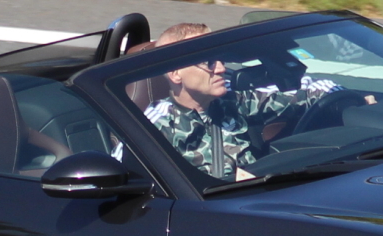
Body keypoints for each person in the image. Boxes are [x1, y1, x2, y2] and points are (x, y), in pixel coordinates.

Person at [136, 21, 359, 180]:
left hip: (254, 193)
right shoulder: (156, 124)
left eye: (220, 60)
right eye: (209, 63)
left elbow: (304, 91)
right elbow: (123, 172)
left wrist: (350, 98)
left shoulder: (235, 100)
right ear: (176, 74)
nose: (222, 68)